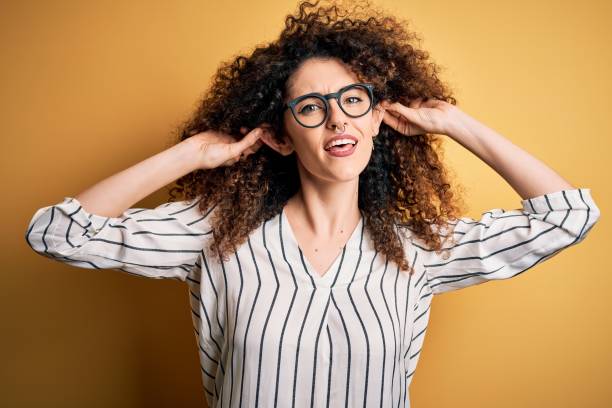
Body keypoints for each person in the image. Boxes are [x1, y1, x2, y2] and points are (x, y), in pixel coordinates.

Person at [24, 0, 600, 407]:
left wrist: (451, 121)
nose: (337, 119)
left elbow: (568, 216)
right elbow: (57, 234)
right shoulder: (215, 233)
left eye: (353, 100)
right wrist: (193, 154)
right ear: (279, 134)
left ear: (379, 116)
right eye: (310, 107)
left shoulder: (417, 248)